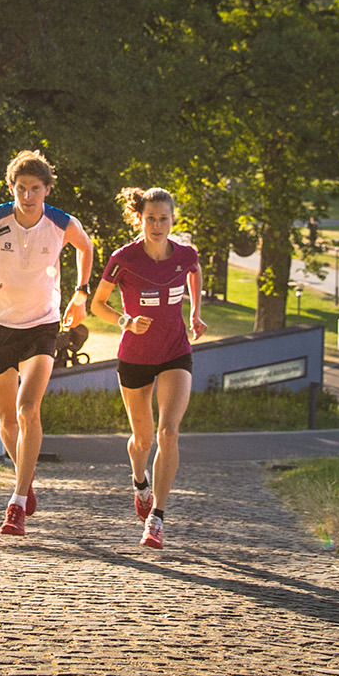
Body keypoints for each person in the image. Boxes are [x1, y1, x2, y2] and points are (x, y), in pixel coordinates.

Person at [0, 150, 94, 536]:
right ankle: (25, 476)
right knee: (5, 421)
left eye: (35, 189)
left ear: (47, 189)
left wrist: (81, 294)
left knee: (27, 407)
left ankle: (16, 502)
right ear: (11, 188)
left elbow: (87, 247)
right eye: (21, 189)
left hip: (42, 325)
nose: (28, 196)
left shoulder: (61, 222)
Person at [89, 186, 204, 549]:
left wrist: (196, 313)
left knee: (168, 432)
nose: (157, 225)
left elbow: (195, 272)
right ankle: (139, 481)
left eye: (164, 218)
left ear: (173, 220)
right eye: (150, 218)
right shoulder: (124, 258)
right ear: (139, 219)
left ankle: (157, 517)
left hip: (175, 352)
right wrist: (125, 321)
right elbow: (98, 304)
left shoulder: (185, 254)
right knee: (143, 439)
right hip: (135, 356)